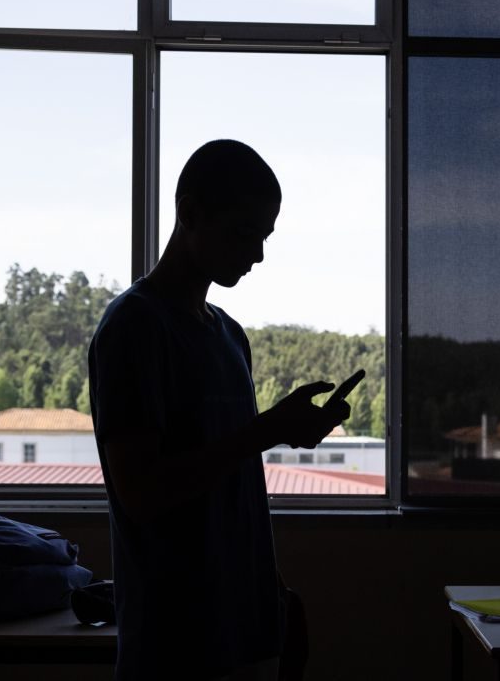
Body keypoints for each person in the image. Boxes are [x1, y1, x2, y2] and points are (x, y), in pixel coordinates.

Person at [88, 139, 351, 680]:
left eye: (265, 237)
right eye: (243, 232)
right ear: (189, 212)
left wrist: (275, 596)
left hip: (250, 629)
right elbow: (141, 494)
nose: (256, 254)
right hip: (174, 642)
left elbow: (234, 488)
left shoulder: (229, 335)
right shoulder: (134, 328)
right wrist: (267, 430)